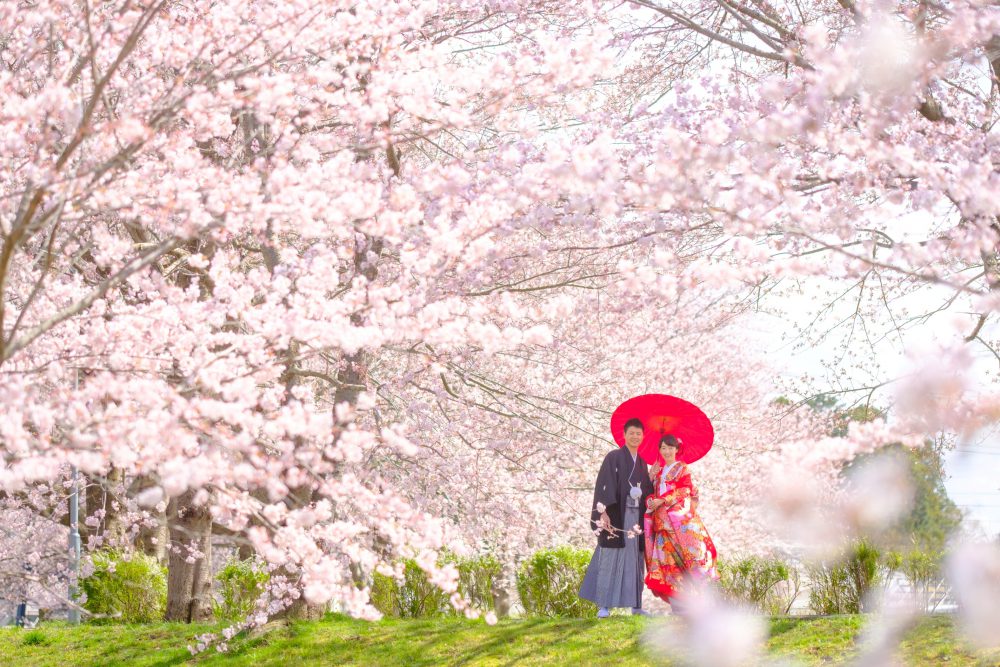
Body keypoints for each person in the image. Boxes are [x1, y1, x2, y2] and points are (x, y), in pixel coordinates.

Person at [579, 417, 654, 617]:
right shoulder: (613, 457)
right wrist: (603, 512)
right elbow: (604, 484)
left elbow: (646, 490)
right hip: (617, 515)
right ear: (624, 435)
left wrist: (651, 477)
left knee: (634, 562)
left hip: (635, 517)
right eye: (632, 433)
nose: (635, 437)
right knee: (610, 559)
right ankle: (604, 606)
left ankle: (636, 606)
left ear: (643, 436)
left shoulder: (642, 462)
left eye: (639, 434)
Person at [643, 434, 719, 612]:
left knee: (684, 560)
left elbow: (685, 490)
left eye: (670, 447)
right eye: (663, 448)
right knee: (667, 564)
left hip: (678, 522)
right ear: (659, 450)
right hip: (661, 523)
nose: (667, 451)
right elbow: (651, 494)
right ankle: (678, 605)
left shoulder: (682, 468)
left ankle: (697, 602)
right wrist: (650, 483)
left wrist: (663, 500)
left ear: (677, 449)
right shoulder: (658, 471)